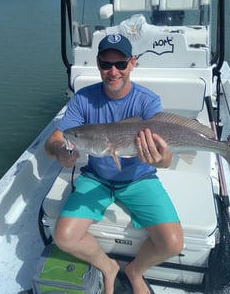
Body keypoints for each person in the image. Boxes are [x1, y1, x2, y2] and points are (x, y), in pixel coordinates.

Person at [45, 34, 183, 294]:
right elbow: (58, 137)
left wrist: (160, 157)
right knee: (63, 237)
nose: (113, 71)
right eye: (106, 64)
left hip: (139, 178)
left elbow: (165, 159)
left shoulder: (147, 101)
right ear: (97, 64)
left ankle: (135, 270)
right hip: (96, 177)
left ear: (132, 63)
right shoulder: (83, 98)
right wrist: (60, 152)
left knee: (173, 244)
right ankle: (108, 267)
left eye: (120, 64)